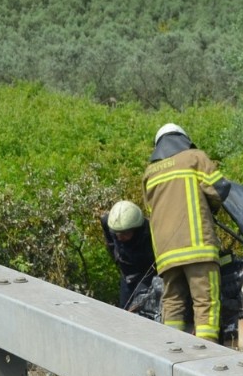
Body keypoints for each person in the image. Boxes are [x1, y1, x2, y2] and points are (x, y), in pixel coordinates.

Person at [143, 123, 231, 341]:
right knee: (206, 301)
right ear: (183, 139)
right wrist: (211, 208)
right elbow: (219, 187)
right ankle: (205, 354)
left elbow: (150, 210)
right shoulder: (194, 157)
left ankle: (171, 351)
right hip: (197, 245)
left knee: (172, 302)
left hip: (166, 254)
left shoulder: (149, 173)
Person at [99, 200, 157, 312]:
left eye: (125, 233)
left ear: (136, 230)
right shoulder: (109, 223)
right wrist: (117, 256)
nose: (120, 237)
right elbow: (110, 241)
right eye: (117, 233)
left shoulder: (150, 233)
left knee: (142, 310)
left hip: (148, 274)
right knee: (124, 311)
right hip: (127, 274)